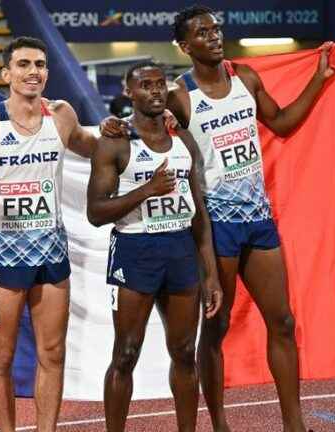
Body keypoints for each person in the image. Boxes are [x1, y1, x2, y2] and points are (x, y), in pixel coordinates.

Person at [113, 6, 333, 432]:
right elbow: (143, 126)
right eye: (203, 32)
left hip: (257, 217)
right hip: (215, 224)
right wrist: (113, 125)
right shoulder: (179, 95)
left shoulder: (246, 79)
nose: (214, 37)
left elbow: (282, 123)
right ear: (184, 45)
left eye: (216, 30)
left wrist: (318, 81)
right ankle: (219, 423)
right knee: (215, 330)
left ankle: (295, 424)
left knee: (283, 321)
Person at [0, 36, 104, 432]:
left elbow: (92, 147)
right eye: (23, 64)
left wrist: (119, 129)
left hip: (52, 252)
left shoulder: (62, 114)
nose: (32, 71)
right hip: (4, 254)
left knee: (52, 352)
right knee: (1, 357)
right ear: (6, 74)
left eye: (39, 64)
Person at [86, 61, 222, 432]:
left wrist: (210, 274)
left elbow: (199, 214)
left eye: (160, 84)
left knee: (183, 352)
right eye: (145, 85)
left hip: (180, 250)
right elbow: (96, 212)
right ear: (130, 93)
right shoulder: (115, 140)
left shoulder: (184, 139)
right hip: (135, 250)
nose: (156, 91)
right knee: (126, 353)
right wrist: (147, 189)